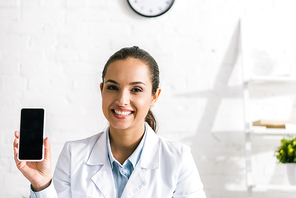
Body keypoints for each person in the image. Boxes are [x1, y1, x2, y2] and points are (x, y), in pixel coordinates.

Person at [13, 46, 206, 198]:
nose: (122, 100)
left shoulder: (178, 159)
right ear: (101, 90)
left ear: (154, 96)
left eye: (136, 89)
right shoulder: (74, 154)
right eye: (112, 87)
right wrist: (42, 185)